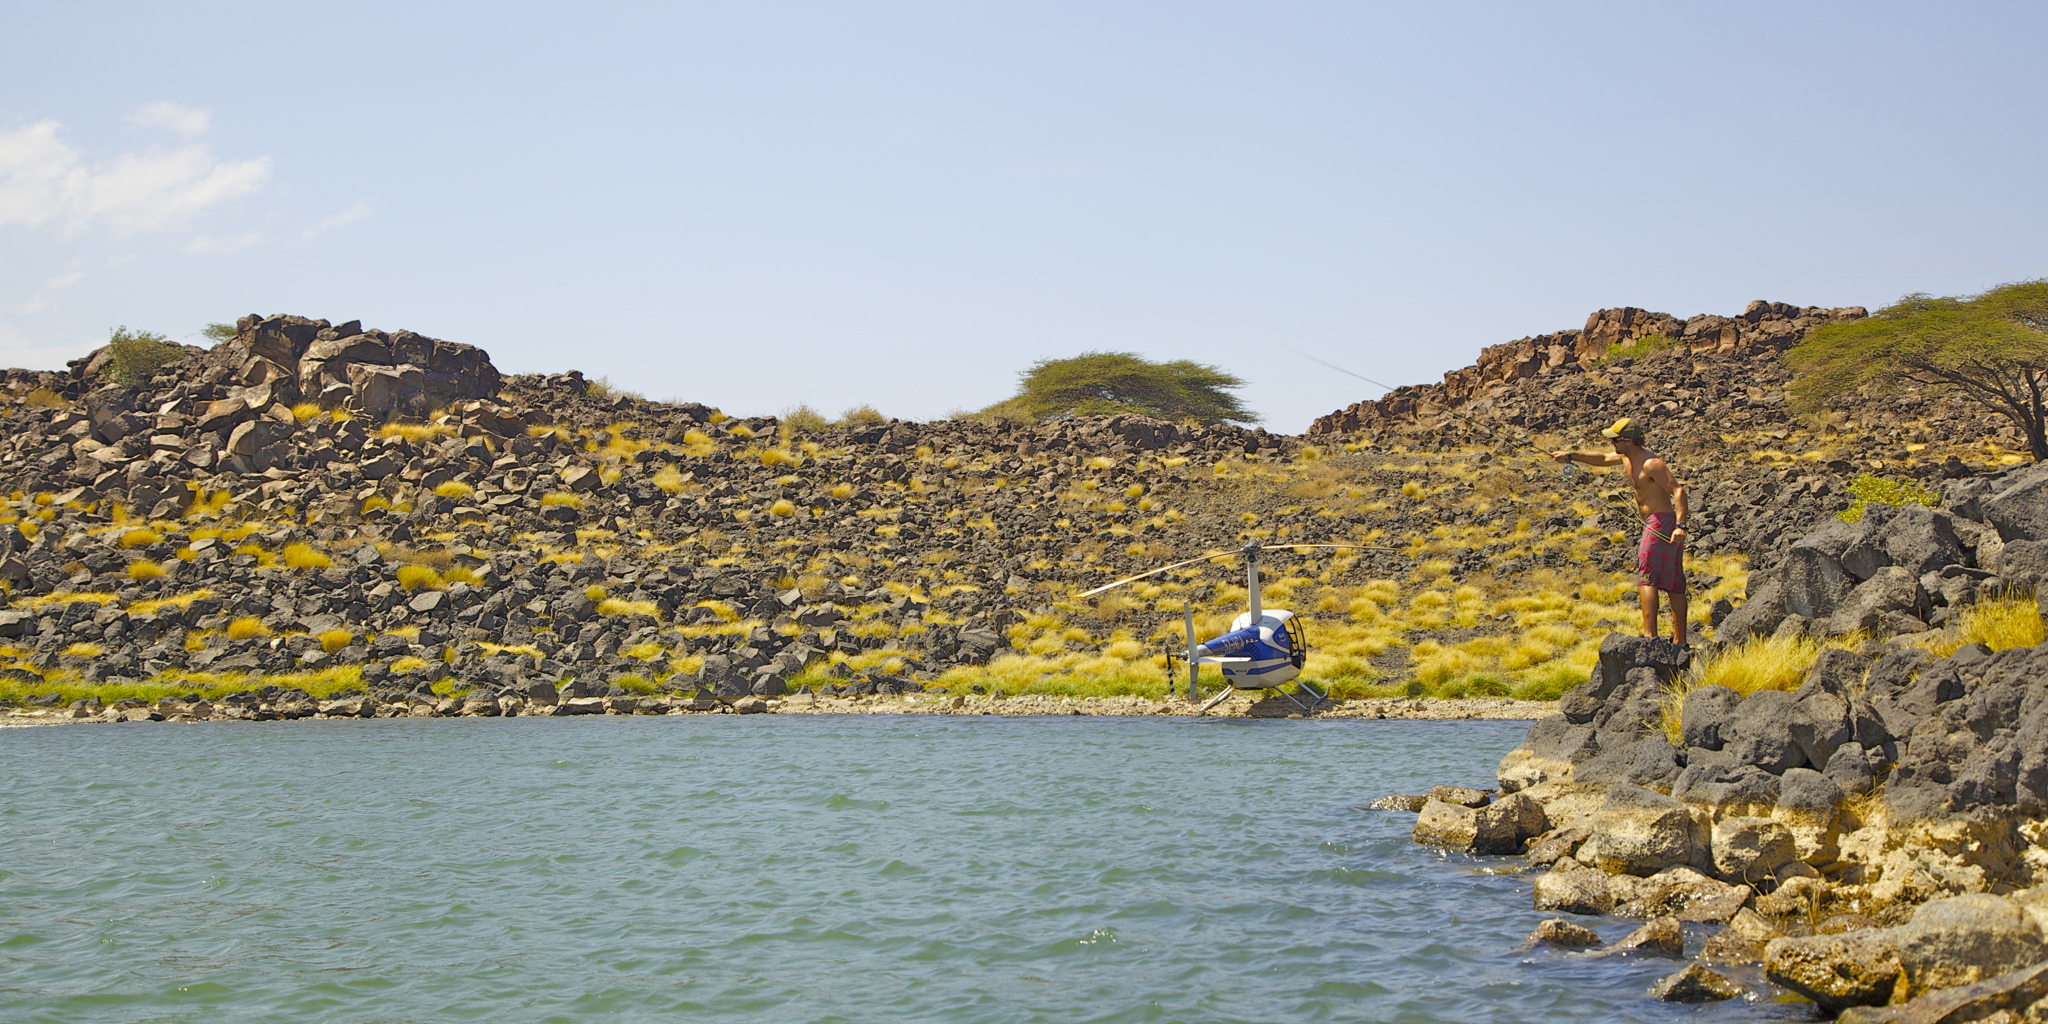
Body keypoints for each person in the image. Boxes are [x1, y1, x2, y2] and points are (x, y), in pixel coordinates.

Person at [1550, 418, 1690, 646]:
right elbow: (1603, 458)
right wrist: (1570, 455)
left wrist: (1680, 525)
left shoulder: (1650, 463)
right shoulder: (1627, 457)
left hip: (1661, 523)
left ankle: (1650, 638)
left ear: (1628, 440)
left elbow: (1678, 490)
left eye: (1615, 439)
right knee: (1673, 581)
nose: (1611, 443)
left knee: (1647, 577)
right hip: (1654, 523)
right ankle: (1679, 642)